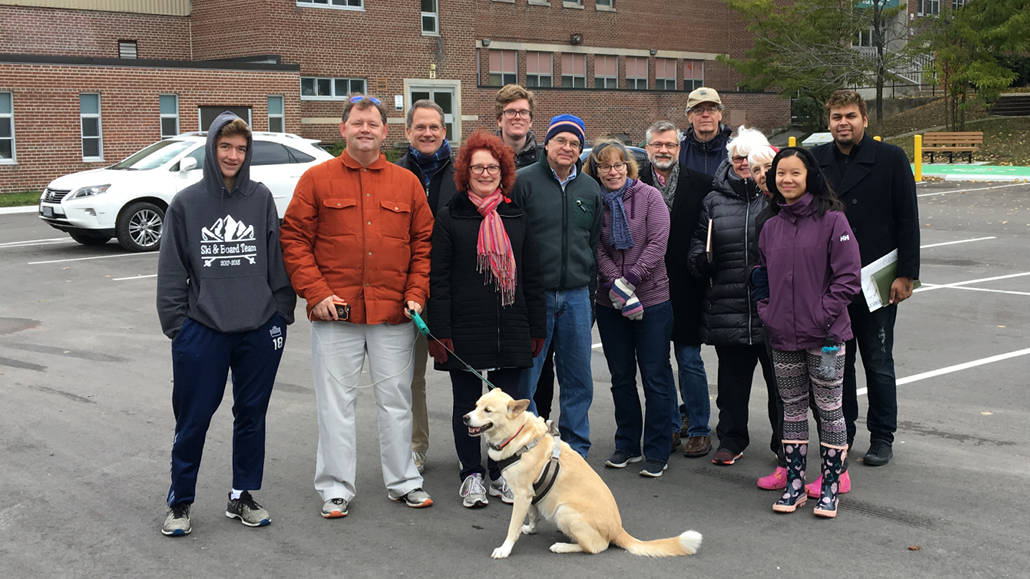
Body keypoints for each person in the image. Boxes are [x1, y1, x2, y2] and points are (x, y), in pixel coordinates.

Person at [280, 95, 435, 518]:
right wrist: (315, 292)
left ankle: (404, 480)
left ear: (386, 133)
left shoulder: (405, 183)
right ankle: (335, 487)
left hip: (393, 315)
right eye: (357, 123)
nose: (365, 130)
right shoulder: (316, 180)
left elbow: (423, 243)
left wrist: (416, 292)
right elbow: (293, 239)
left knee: (396, 401)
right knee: (335, 404)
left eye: (373, 124)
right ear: (343, 129)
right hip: (336, 314)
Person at [156, 112, 296, 537]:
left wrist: (280, 312)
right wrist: (178, 326)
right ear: (212, 149)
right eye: (225, 147)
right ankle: (180, 502)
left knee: (251, 415)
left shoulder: (260, 198)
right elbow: (171, 269)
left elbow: (276, 259)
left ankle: (243, 495)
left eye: (240, 148)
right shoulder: (187, 203)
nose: (233, 155)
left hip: (258, 328)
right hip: (203, 330)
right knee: (193, 419)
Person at [427, 131, 546, 508]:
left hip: (511, 329)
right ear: (466, 171)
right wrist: (441, 332)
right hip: (465, 331)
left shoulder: (516, 216)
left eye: (492, 167)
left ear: (503, 171)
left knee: (503, 413)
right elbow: (439, 280)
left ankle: (498, 474)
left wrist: (537, 328)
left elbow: (532, 276)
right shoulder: (449, 217)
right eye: (478, 167)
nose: (485, 173)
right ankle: (471, 474)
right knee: (470, 407)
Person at [811, 90, 920, 468]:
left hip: (877, 280)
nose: (843, 122)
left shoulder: (890, 159)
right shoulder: (816, 160)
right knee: (837, 363)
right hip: (830, 282)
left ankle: (882, 436)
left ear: (865, 119)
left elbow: (907, 218)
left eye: (851, 116)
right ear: (828, 122)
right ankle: (843, 434)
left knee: (878, 360)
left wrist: (907, 274)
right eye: (837, 116)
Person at [756, 147, 861, 517]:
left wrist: (822, 314)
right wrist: (767, 311)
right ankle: (796, 484)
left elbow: (848, 279)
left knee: (831, 410)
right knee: (793, 409)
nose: (787, 179)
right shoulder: (770, 226)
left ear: (809, 176)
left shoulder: (833, 220)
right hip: (782, 335)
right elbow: (760, 277)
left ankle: (831, 485)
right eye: (781, 173)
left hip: (827, 338)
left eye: (795, 173)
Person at [687, 126, 782, 467]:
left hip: (772, 308)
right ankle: (731, 438)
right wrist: (700, 259)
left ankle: (784, 441)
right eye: (738, 158)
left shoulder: (778, 199)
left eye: (751, 158)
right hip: (728, 305)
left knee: (781, 383)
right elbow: (699, 240)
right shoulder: (714, 199)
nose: (744, 164)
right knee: (731, 385)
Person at [512, 114, 602, 458]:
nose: (567, 148)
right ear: (546, 144)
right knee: (528, 378)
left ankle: (575, 447)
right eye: (561, 140)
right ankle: (531, 446)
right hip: (536, 296)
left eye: (575, 143)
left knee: (578, 377)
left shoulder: (590, 189)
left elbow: (592, 241)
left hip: (577, 296)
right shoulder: (523, 183)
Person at [585, 140, 677, 478]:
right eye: (605, 165)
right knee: (621, 377)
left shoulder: (650, 197)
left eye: (618, 164)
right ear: (595, 170)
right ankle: (627, 444)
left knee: (654, 376)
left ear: (628, 166)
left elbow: (657, 243)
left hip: (652, 300)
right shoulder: (595, 200)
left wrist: (632, 280)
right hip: (609, 302)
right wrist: (618, 286)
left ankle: (657, 448)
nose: (612, 171)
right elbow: (595, 246)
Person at [638, 120, 714, 459]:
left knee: (689, 359)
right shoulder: (634, 181)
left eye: (669, 144)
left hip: (687, 285)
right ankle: (668, 425)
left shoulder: (701, 184)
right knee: (657, 363)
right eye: (657, 145)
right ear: (648, 148)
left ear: (679, 148)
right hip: (648, 285)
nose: (663, 150)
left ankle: (698, 428)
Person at [395, 99, 458, 474]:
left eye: (434, 127)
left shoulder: (463, 173)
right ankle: (416, 446)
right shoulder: (395, 173)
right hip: (409, 290)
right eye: (420, 127)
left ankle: (475, 451)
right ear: (408, 132)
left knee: (466, 374)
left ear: (444, 131)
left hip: (454, 288)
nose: (428, 133)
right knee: (411, 377)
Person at [494, 83, 554, 419]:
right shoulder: (484, 154)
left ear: (531, 120)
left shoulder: (545, 157)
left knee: (541, 358)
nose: (518, 118)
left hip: (534, 272)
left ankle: (539, 423)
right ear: (500, 118)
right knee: (497, 356)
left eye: (524, 113)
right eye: (511, 112)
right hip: (493, 267)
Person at [678, 87, 733, 176]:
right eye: (698, 110)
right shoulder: (678, 148)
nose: (705, 115)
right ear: (689, 116)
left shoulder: (734, 149)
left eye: (711, 109)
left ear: (720, 114)